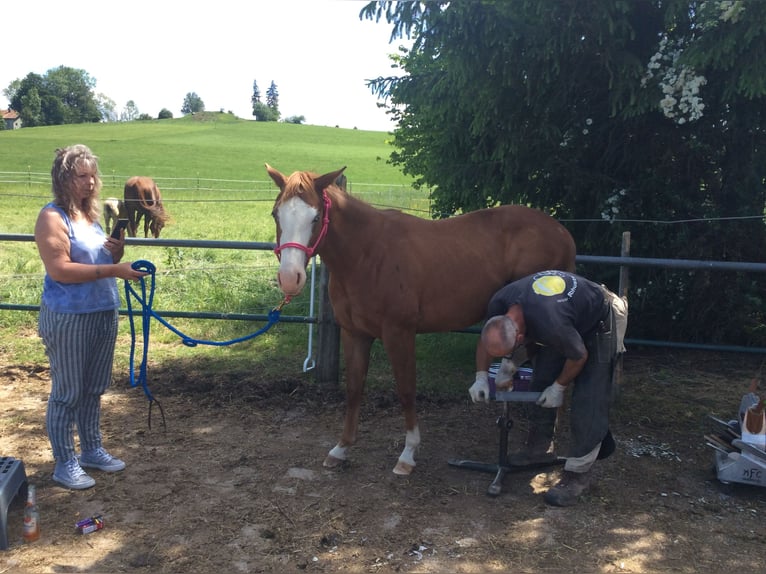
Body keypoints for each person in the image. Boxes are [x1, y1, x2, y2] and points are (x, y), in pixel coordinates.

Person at [35, 144, 148, 490]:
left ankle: (92, 450)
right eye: (82, 176)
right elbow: (61, 270)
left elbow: (95, 257)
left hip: (102, 310)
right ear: (64, 179)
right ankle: (65, 462)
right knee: (68, 391)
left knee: (93, 388)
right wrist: (115, 267)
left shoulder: (91, 217)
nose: (90, 182)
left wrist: (116, 249)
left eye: (92, 176)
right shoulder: (52, 218)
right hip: (69, 316)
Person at [469, 270, 627, 506]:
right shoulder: (499, 304)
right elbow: (487, 341)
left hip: (599, 320)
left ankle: (578, 475)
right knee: (541, 377)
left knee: (589, 396)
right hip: (566, 316)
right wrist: (482, 376)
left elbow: (579, 356)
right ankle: (539, 448)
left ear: (521, 336)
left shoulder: (551, 321)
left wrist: (559, 388)